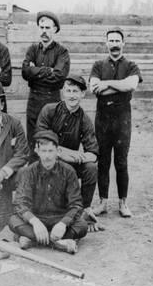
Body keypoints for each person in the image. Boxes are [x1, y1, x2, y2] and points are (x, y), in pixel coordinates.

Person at [35, 75, 102, 232]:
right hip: (47, 161)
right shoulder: (49, 110)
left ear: (83, 94)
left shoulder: (84, 119)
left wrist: (74, 156)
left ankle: (85, 208)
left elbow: (93, 153)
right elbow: (40, 140)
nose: (72, 95)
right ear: (62, 92)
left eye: (76, 91)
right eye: (68, 90)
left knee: (91, 168)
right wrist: (64, 152)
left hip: (69, 165)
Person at [89, 27, 143, 218]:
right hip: (102, 118)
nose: (114, 44)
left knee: (121, 162)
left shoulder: (131, 65)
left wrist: (107, 84)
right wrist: (120, 87)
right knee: (103, 161)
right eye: (110, 41)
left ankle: (123, 203)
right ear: (106, 44)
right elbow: (94, 88)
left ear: (123, 44)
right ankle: (103, 203)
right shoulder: (98, 65)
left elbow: (132, 84)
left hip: (122, 119)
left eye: (117, 41)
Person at [8, 130, 88, 254]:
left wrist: (63, 224)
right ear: (37, 151)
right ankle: (58, 243)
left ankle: (31, 240)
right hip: (37, 218)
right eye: (43, 151)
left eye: (51, 151)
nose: (47, 156)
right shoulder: (28, 172)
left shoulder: (68, 171)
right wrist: (35, 222)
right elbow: (20, 203)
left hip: (59, 218)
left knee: (82, 226)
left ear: (58, 151)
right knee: (13, 221)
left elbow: (76, 204)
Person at [22, 11, 70, 159]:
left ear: (55, 29)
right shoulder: (32, 50)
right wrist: (47, 70)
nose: (44, 31)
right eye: (41, 27)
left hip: (52, 103)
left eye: (47, 27)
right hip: (33, 102)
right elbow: (25, 72)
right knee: (33, 146)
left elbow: (59, 76)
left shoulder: (62, 52)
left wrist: (34, 71)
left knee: (51, 144)